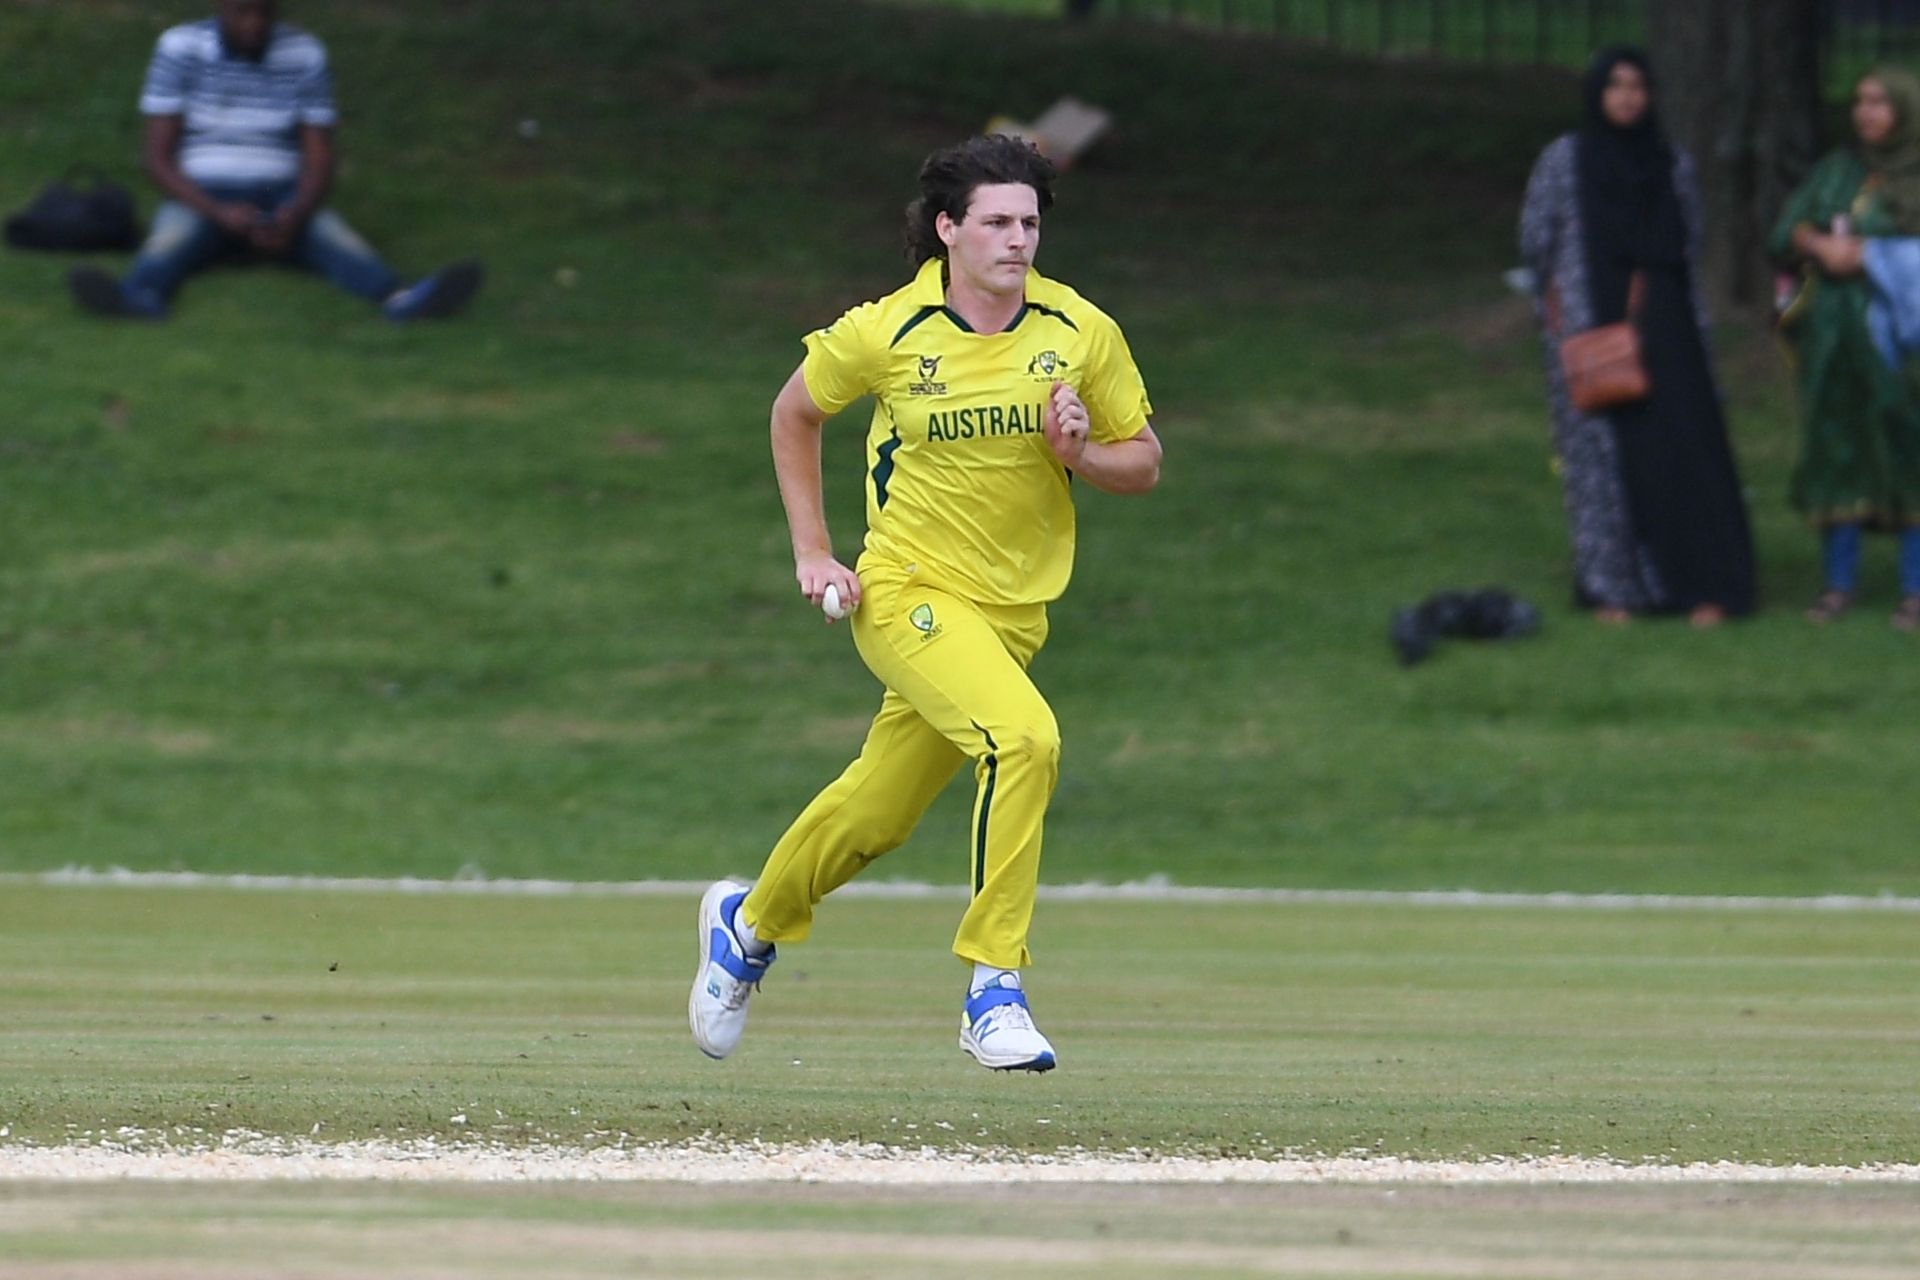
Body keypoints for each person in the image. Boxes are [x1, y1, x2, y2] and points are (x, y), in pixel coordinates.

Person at [688, 135, 1162, 1073]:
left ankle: (748, 923)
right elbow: (794, 414)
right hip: (907, 593)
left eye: (1029, 223)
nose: (1017, 240)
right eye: (996, 222)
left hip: (1013, 618)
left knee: (877, 816)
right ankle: (994, 985)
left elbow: (1141, 462)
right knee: (1024, 741)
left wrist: (1079, 456)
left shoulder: (1080, 331)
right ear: (948, 229)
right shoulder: (887, 332)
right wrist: (814, 552)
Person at [1519, 47, 1755, 626]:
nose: (1627, 97)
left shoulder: (1669, 162)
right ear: (1597, 93)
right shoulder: (1565, 161)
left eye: (1638, 86)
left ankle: (1705, 587)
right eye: (1615, 85)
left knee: (1683, 451)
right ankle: (1614, 589)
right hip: (1589, 330)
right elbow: (1534, 240)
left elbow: (1689, 235)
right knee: (1603, 458)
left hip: (1666, 326)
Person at [68, 0, 480, 322]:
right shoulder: (180, 48)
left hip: (281, 194)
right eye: (243, 11)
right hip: (203, 194)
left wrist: (296, 212)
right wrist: (218, 211)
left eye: (265, 11)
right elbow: (155, 159)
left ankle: (401, 300)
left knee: (335, 237)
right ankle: (138, 299)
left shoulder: (305, 53)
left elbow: (320, 156)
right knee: (170, 240)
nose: (255, 23)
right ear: (221, 7)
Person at [1771, 67, 1920, 629]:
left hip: (1905, 342)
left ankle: (1916, 590)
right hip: (1835, 338)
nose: (1866, 112)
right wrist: (1815, 242)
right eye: (1859, 101)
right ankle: (1838, 585)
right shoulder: (1837, 170)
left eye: (1880, 102)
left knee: (1912, 454)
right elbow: (1782, 228)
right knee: (1838, 450)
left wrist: (1872, 258)